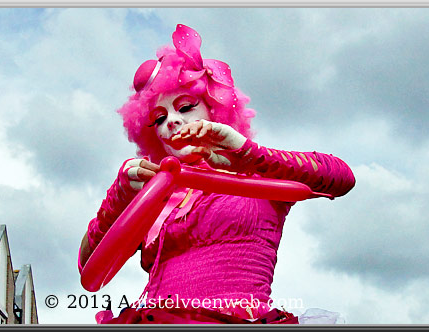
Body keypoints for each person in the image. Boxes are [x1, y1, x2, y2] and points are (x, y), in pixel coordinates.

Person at [78, 24, 355, 324]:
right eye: (159, 118)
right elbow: (90, 268)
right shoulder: (157, 195)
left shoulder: (257, 175)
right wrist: (121, 196)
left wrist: (247, 155)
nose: (171, 121)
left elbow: (341, 177)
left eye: (185, 107)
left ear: (214, 109)